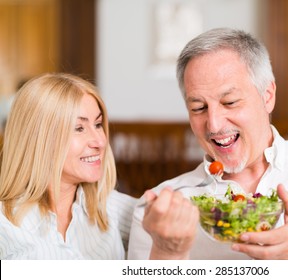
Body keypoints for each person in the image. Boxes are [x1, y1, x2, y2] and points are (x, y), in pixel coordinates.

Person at [128, 28, 288, 260]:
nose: (214, 124)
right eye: (198, 108)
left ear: (267, 96)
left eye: (230, 102)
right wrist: (167, 253)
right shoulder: (156, 213)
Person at [0, 73, 198, 260]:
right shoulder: (5, 224)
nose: (100, 141)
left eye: (98, 125)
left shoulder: (117, 210)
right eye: (79, 128)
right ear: (37, 139)